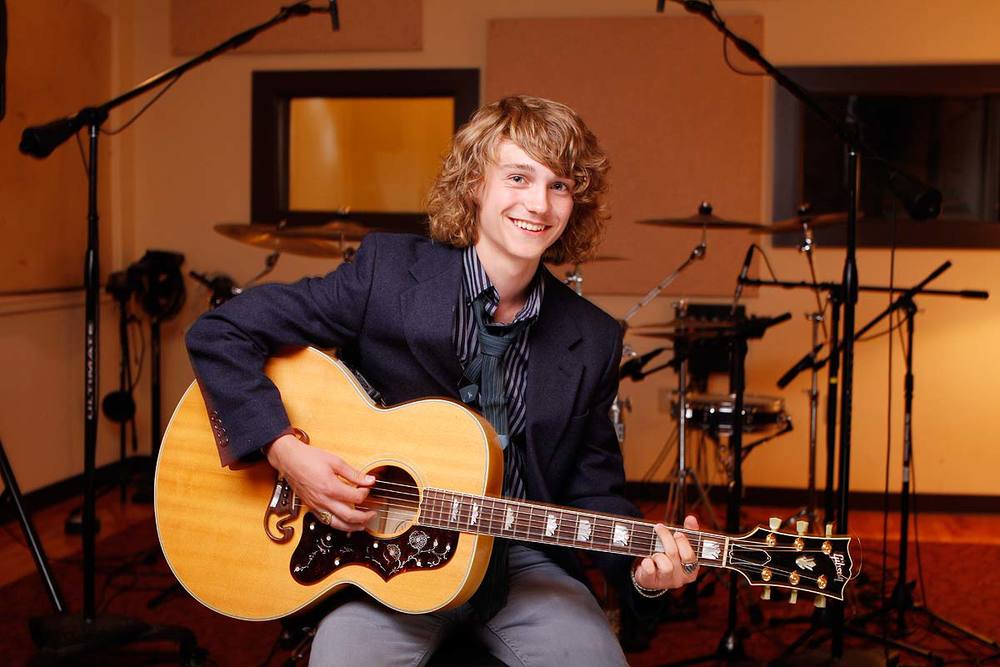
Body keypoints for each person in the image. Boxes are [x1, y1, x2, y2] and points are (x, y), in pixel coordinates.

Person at [186, 95, 700, 667]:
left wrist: (647, 574)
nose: (539, 203)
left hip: (519, 560)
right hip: (380, 556)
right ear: (476, 182)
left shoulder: (593, 339)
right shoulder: (387, 272)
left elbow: (594, 491)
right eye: (518, 177)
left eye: (559, 185)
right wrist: (285, 451)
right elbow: (222, 332)